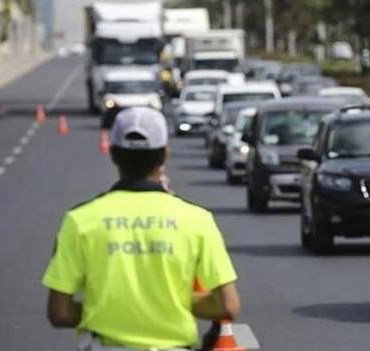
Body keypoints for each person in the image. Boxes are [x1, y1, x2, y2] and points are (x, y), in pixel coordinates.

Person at [42, 107, 240, 350]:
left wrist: (108, 308)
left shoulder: (80, 220)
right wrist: (169, 301)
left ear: (113, 154)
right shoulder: (197, 220)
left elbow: (59, 312)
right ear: (164, 155)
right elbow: (227, 306)